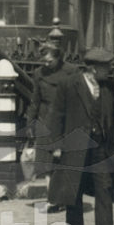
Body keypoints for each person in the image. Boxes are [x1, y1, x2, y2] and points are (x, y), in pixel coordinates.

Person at [45, 47, 114, 225]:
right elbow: (56, 116)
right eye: (105, 66)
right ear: (92, 68)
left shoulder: (109, 86)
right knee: (75, 189)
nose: (109, 69)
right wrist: (56, 145)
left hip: (101, 147)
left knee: (104, 187)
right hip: (75, 147)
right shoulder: (69, 85)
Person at [28, 42, 79, 180]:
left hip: (64, 120)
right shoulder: (39, 73)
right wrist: (31, 122)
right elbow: (35, 100)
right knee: (45, 163)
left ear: (58, 57)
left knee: (63, 161)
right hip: (44, 119)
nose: (46, 64)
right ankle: (50, 196)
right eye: (44, 61)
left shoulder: (71, 71)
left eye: (49, 61)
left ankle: (60, 197)